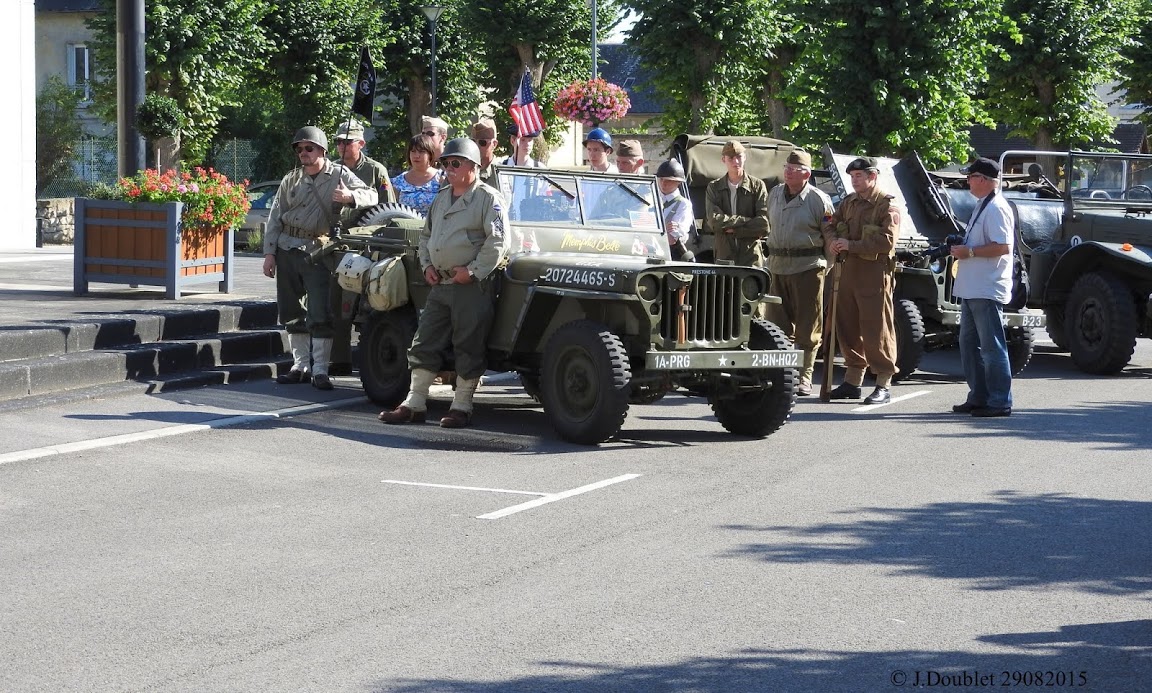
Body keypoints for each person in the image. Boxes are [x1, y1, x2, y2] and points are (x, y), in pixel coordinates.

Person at [377, 138, 510, 428]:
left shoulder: (488, 199)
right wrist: (426, 266)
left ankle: (462, 406)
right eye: (445, 163)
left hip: (470, 286)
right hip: (441, 284)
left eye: (455, 163)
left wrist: (473, 271)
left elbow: (498, 241)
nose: (448, 168)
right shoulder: (442, 197)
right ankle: (415, 403)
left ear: (473, 166)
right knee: (424, 341)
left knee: (468, 343)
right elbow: (426, 237)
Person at [262, 126, 377, 390]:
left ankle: (321, 370)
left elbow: (372, 195)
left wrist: (350, 197)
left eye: (309, 148)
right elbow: (275, 218)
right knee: (291, 311)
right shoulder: (290, 179)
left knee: (320, 312)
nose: (303, 152)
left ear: (322, 151)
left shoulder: (338, 174)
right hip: (287, 248)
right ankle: (300, 365)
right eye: (299, 148)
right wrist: (269, 254)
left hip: (317, 250)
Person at [821, 156, 900, 405]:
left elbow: (887, 241)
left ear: (872, 176)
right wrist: (833, 240)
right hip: (846, 274)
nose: (854, 180)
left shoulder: (886, 206)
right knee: (847, 328)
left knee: (877, 329)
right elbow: (830, 223)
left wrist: (850, 245)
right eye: (852, 177)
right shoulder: (848, 203)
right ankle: (853, 381)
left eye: (859, 176)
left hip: (873, 274)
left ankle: (883, 383)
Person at [330, 119, 397, 376]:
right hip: (339, 242)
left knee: (372, 299)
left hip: (370, 243)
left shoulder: (375, 170)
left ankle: (372, 356)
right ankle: (340, 359)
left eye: (347, 142)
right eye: (338, 142)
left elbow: (390, 210)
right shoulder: (332, 169)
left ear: (361, 143)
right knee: (339, 303)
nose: (342, 146)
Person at [765, 149, 834, 396]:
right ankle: (780, 374)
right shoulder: (774, 194)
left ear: (806, 174)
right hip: (777, 267)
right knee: (776, 324)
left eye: (793, 170)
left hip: (807, 268)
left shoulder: (818, 199)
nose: (787, 172)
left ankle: (804, 376)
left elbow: (830, 236)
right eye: (786, 168)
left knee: (807, 326)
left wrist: (827, 267)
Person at [950, 157, 1014, 417]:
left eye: (972, 177)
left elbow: (1003, 246)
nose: (968, 181)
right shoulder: (983, 205)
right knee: (970, 345)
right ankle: (979, 396)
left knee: (991, 347)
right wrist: (963, 245)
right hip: (972, 288)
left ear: (985, 180)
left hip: (985, 288)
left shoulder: (997, 207)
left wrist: (970, 252)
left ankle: (999, 401)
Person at [704, 140, 769, 267]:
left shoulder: (757, 186)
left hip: (751, 256)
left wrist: (734, 230)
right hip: (724, 255)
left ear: (745, 157)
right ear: (723, 160)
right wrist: (746, 221)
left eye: (739, 157)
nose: (736, 162)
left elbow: (764, 224)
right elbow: (713, 221)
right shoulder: (714, 187)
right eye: (731, 158)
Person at [655, 159, 696, 261]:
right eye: (661, 179)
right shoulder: (652, 199)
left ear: (678, 182)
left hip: (671, 255)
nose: (664, 183)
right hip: (649, 250)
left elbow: (673, 238)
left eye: (668, 180)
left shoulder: (684, 204)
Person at [391, 134, 442, 216]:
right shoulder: (397, 182)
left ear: (430, 154)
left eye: (422, 152)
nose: (416, 156)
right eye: (413, 151)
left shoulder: (443, 178)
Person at [470, 117, 500, 188]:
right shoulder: (466, 168)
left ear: (494, 144)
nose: (476, 146)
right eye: (473, 141)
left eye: (482, 142)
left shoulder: (499, 172)